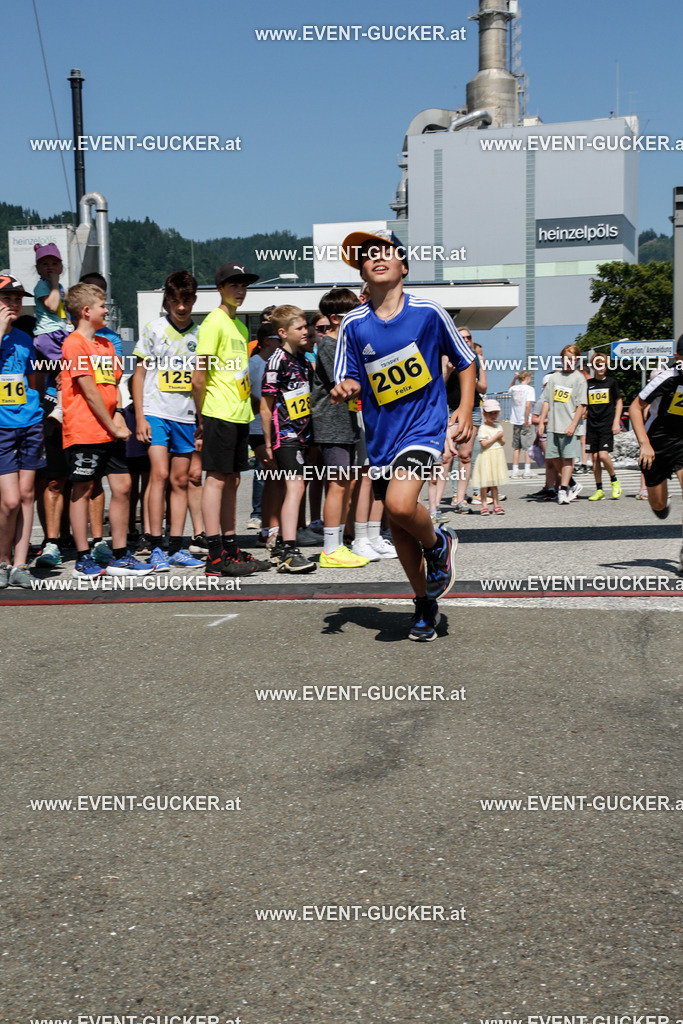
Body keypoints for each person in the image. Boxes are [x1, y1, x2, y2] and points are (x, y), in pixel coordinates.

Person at [332, 228, 476, 642]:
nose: (377, 258)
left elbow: (464, 361)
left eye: (386, 252)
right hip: (381, 436)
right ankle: (424, 603)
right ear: (362, 271)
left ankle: (439, 543)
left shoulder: (428, 312)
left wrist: (464, 410)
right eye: (368, 255)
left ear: (403, 266)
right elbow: (349, 377)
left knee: (398, 504)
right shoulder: (354, 325)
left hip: (423, 427)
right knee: (397, 526)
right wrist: (349, 388)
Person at [60, 283, 154, 578]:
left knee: (123, 487)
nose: (107, 310)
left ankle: (120, 555)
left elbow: (112, 387)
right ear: (86, 311)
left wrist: (118, 416)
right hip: (85, 430)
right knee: (83, 490)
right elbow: (89, 392)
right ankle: (83, 558)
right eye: (102, 306)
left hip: (110, 430)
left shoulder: (107, 345)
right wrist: (111, 422)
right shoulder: (74, 344)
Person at [192, 262, 270, 577]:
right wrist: (200, 418)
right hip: (217, 413)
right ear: (220, 288)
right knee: (216, 479)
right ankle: (213, 555)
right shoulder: (214, 323)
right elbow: (199, 376)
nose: (240, 290)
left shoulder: (239, 327)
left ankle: (229, 546)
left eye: (244, 285)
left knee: (234, 480)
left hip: (238, 414)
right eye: (233, 285)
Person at [131, 271, 203, 570]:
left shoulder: (201, 335)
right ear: (167, 301)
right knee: (158, 474)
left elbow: (202, 381)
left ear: (194, 300)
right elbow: (139, 374)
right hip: (156, 412)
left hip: (185, 417)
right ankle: (156, 545)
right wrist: (139, 417)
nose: (181, 307)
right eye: (175, 301)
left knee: (180, 481)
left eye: (186, 300)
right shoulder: (153, 329)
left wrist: (202, 418)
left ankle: (176, 546)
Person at [312, 288, 374, 568]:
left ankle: (339, 543)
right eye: (353, 314)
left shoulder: (345, 346)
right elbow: (345, 383)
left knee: (346, 483)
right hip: (332, 424)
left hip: (346, 424)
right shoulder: (328, 346)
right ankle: (329, 548)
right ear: (337, 318)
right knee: (337, 485)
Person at [260, 305, 317, 573]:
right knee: (295, 487)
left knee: (296, 487)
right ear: (283, 332)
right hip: (285, 435)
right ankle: (289, 550)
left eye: (307, 326)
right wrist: (270, 442)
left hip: (303, 435)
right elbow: (265, 404)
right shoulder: (276, 360)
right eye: (300, 328)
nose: (306, 331)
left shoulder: (305, 361)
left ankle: (284, 544)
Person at [0, 273, 45, 588]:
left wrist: (36, 409)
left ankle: (19, 564)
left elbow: (33, 381)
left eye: (18, 298)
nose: (14, 303)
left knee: (28, 495)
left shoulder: (24, 339)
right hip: (1, 427)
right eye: (7, 298)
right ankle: (1, 560)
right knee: (10, 501)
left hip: (29, 423)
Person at [629, 336, 683, 573]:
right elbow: (635, 407)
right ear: (678, 358)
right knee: (658, 505)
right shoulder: (668, 377)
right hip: (657, 443)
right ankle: (662, 504)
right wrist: (644, 444)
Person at [445, 326, 487, 512]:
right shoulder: (447, 357)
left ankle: (460, 498)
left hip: (472, 411)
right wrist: (448, 370)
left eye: (469, 337)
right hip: (450, 411)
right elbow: (439, 383)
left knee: (465, 455)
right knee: (445, 456)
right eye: (462, 337)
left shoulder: (478, 360)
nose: (466, 340)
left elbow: (484, 388)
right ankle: (435, 502)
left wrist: (472, 378)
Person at [539, 345, 587, 505]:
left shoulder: (579, 379)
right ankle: (573, 484)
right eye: (567, 358)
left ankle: (563, 489)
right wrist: (541, 420)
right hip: (553, 425)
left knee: (567, 459)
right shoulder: (554, 378)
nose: (569, 362)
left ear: (577, 360)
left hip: (569, 426)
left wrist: (573, 425)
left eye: (573, 359)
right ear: (561, 358)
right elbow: (546, 401)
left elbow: (582, 405)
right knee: (553, 458)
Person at [32, 242, 72, 425]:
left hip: (59, 332)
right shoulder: (42, 286)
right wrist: (55, 283)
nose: (50, 268)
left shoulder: (60, 286)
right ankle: (59, 407)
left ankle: (57, 402)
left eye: (54, 264)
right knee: (68, 369)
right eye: (45, 264)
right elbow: (52, 305)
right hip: (49, 336)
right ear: (38, 269)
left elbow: (60, 311)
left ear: (61, 266)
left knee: (63, 370)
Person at [249, 322, 280, 547]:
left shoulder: (269, 362)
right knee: (273, 477)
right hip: (258, 428)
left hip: (268, 427)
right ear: (267, 341)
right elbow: (256, 398)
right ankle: (268, 527)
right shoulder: (255, 364)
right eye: (278, 338)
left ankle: (268, 527)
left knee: (273, 479)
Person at [586, 353, 623, 500]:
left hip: (606, 424)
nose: (601, 367)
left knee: (603, 455)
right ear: (593, 366)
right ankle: (599, 489)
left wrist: (616, 421)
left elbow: (619, 401)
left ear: (606, 366)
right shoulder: (588, 384)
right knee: (594, 458)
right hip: (591, 425)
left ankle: (614, 480)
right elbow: (585, 403)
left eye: (603, 364)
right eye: (598, 364)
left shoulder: (611, 382)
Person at [472, 399, 509, 514]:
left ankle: (496, 504)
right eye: (490, 413)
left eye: (495, 413)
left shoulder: (498, 426)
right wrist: (496, 437)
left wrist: (501, 437)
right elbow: (484, 444)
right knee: (485, 483)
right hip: (487, 457)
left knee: (494, 484)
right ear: (484, 413)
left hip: (497, 456)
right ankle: (484, 505)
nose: (493, 416)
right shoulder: (483, 428)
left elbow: (503, 442)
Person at [509, 370, 535, 477]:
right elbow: (528, 405)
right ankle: (527, 470)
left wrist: (514, 378)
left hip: (515, 420)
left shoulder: (514, 388)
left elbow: (509, 388)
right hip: (525, 420)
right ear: (527, 377)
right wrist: (526, 420)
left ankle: (515, 470)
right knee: (528, 446)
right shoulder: (530, 389)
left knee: (517, 446)